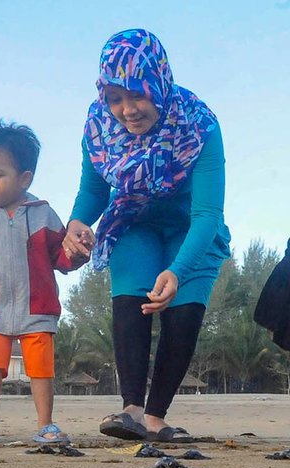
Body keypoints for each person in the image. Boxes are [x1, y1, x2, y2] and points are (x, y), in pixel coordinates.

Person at [63, 29, 231, 442]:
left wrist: (177, 270)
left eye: (136, 95)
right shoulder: (98, 124)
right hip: (134, 220)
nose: (127, 110)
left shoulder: (200, 124)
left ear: (158, 82)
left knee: (184, 305)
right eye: (115, 98)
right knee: (133, 295)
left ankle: (156, 416)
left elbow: (208, 213)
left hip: (190, 226)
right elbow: (94, 189)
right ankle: (131, 410)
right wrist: (77, 222)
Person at [0, 121, 86, 444]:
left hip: (37, 306)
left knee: (40, 369)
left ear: (24, 178)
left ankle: (45, 424)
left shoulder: (43, 214)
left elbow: (61, 257)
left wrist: (79, 252)